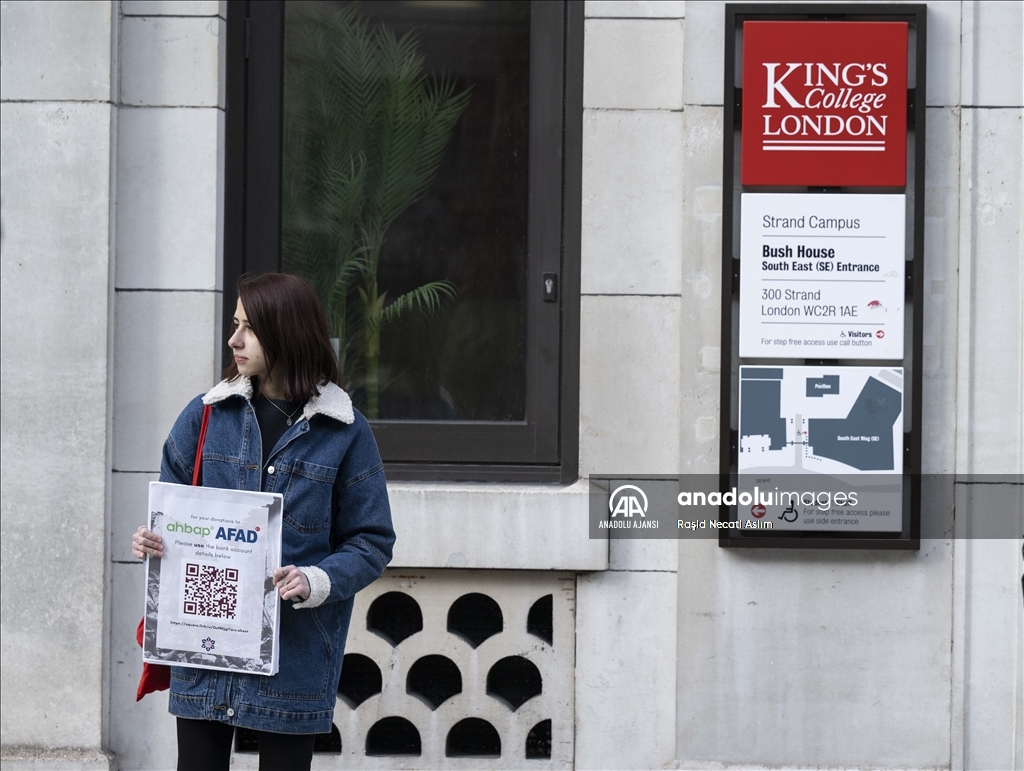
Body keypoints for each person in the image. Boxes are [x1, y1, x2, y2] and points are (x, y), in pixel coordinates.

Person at [131, 272, 395, 771]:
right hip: (205, 647)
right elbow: (170, 509)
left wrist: (315, 579)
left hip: (294, 655)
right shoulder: (207, 414)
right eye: (235, 325)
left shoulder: (344, 432)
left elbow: (372, 540)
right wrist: (152, 539)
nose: (234, 340)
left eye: (249, 328)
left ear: (288, 332)